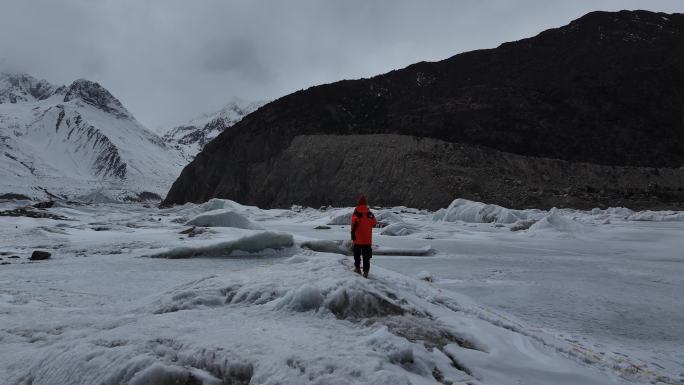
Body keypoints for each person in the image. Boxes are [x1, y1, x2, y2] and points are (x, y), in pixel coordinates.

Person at [351, 195, 377, 277]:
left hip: (357, 239)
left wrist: (353, 235)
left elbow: (353, 225)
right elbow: (374, 223)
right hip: (367, 240)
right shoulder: (370, 214)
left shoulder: (356, 213)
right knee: (366, 257)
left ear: (358, 204)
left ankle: (358, 269)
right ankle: (366, 273)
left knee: (357, 255)